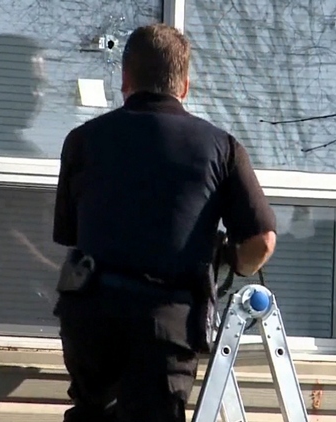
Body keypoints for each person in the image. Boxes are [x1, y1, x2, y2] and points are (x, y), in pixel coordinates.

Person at [51, 23, 277, 422]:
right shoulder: (219, 147)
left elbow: (69, 237)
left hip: (91, 321)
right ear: (185, 85)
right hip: (164, 329)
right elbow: (261, 241)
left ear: (125, 79)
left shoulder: (83, 140)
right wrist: (231, 261)